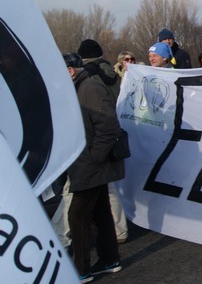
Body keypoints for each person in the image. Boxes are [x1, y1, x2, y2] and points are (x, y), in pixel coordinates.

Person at [62, 53, 124, 283]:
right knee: (99, 213)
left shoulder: (89, 88)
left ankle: (80, 270)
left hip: (91, 162)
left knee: (77, 216)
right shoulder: (82, 87)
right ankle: (109, 259)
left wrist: (94, 158)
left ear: (70, 70)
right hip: (90, 161)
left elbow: (109, 127)